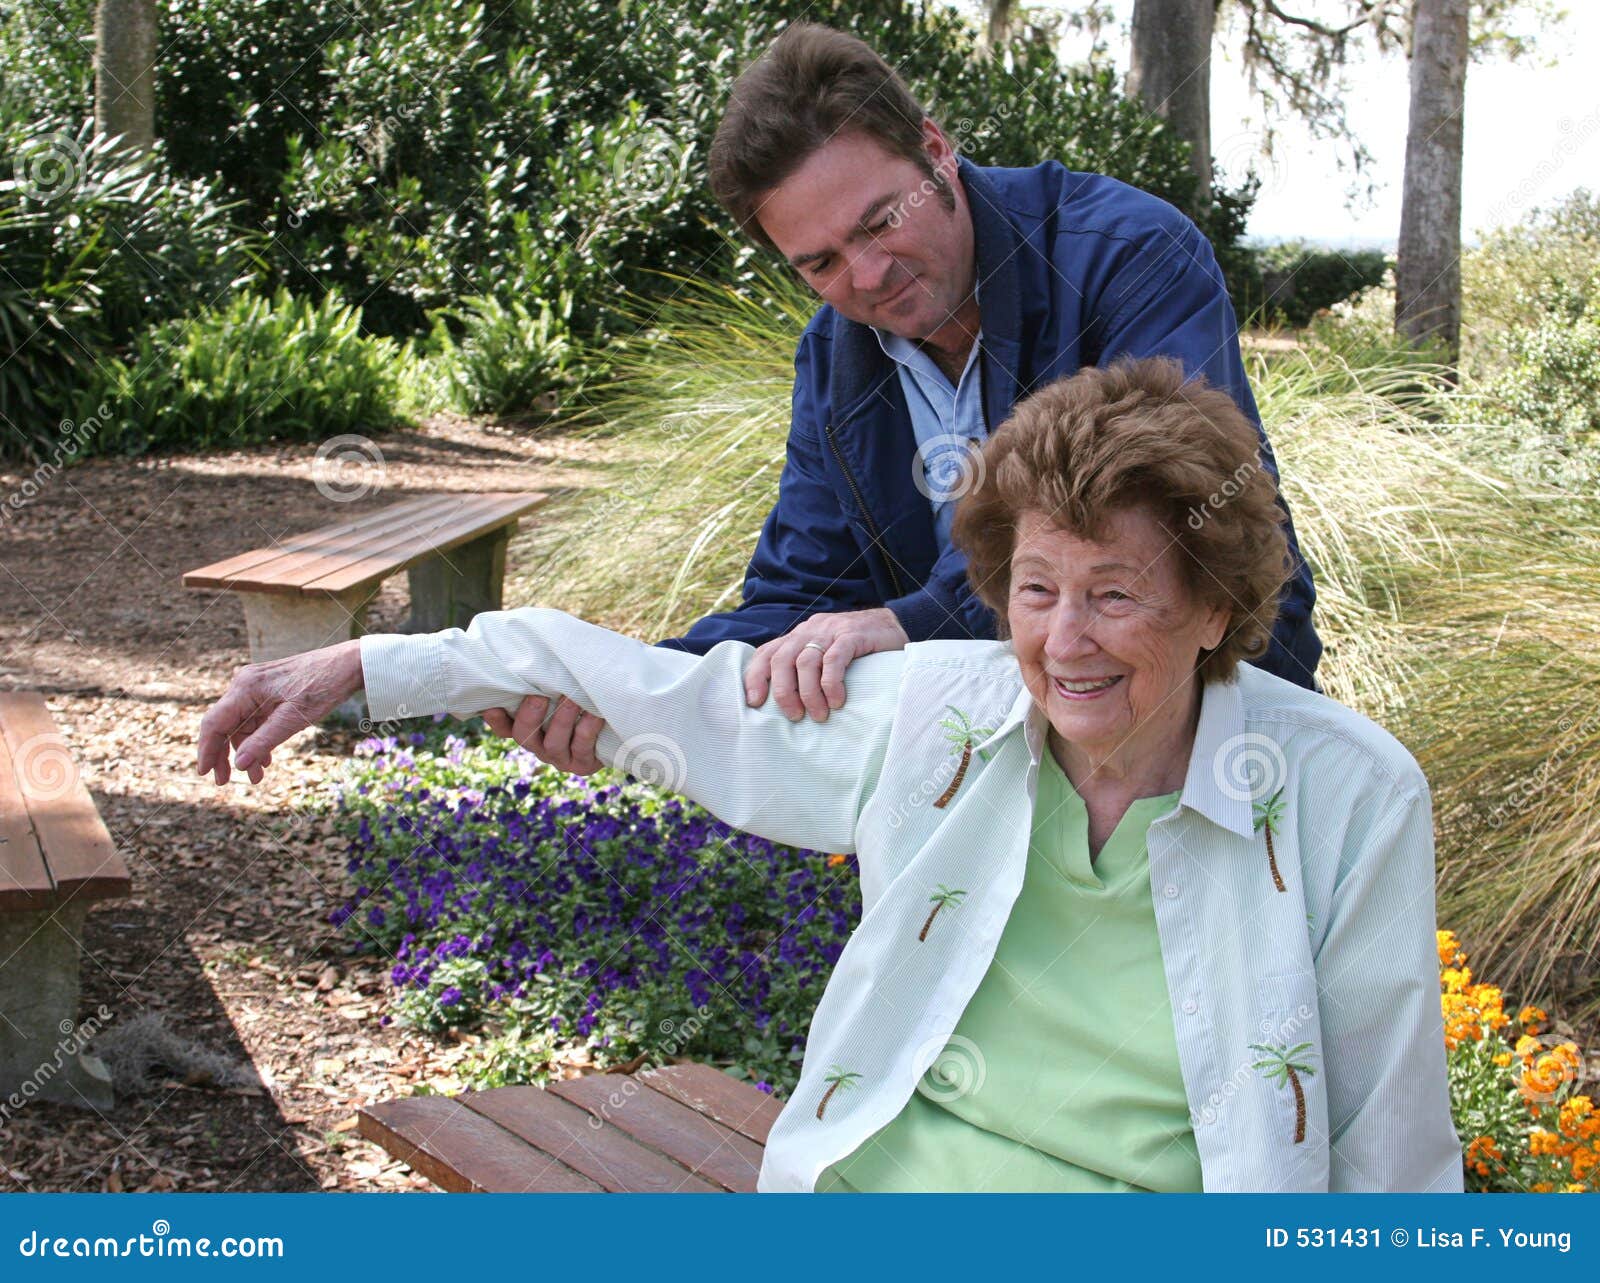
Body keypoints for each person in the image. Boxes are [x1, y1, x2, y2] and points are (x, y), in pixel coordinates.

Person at [195, 357, 1459, 1193]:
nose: (1062, 640)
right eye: (1034, 590)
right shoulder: (942, 709)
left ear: (1208, 607)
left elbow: (1388, 1128)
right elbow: (673, 694)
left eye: (1114, 595)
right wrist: (374, 662)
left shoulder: (1344, 794)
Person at [511, 21, 1323, 780]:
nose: (866, 277)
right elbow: (802, 597)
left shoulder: (1128, 255)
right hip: (1009, 770)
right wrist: (629, 689)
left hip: (1219, 737)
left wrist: (910, 621)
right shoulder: (832, 356)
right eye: (820, 263)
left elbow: (1163, 526)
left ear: (936, 151)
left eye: (878, 224)